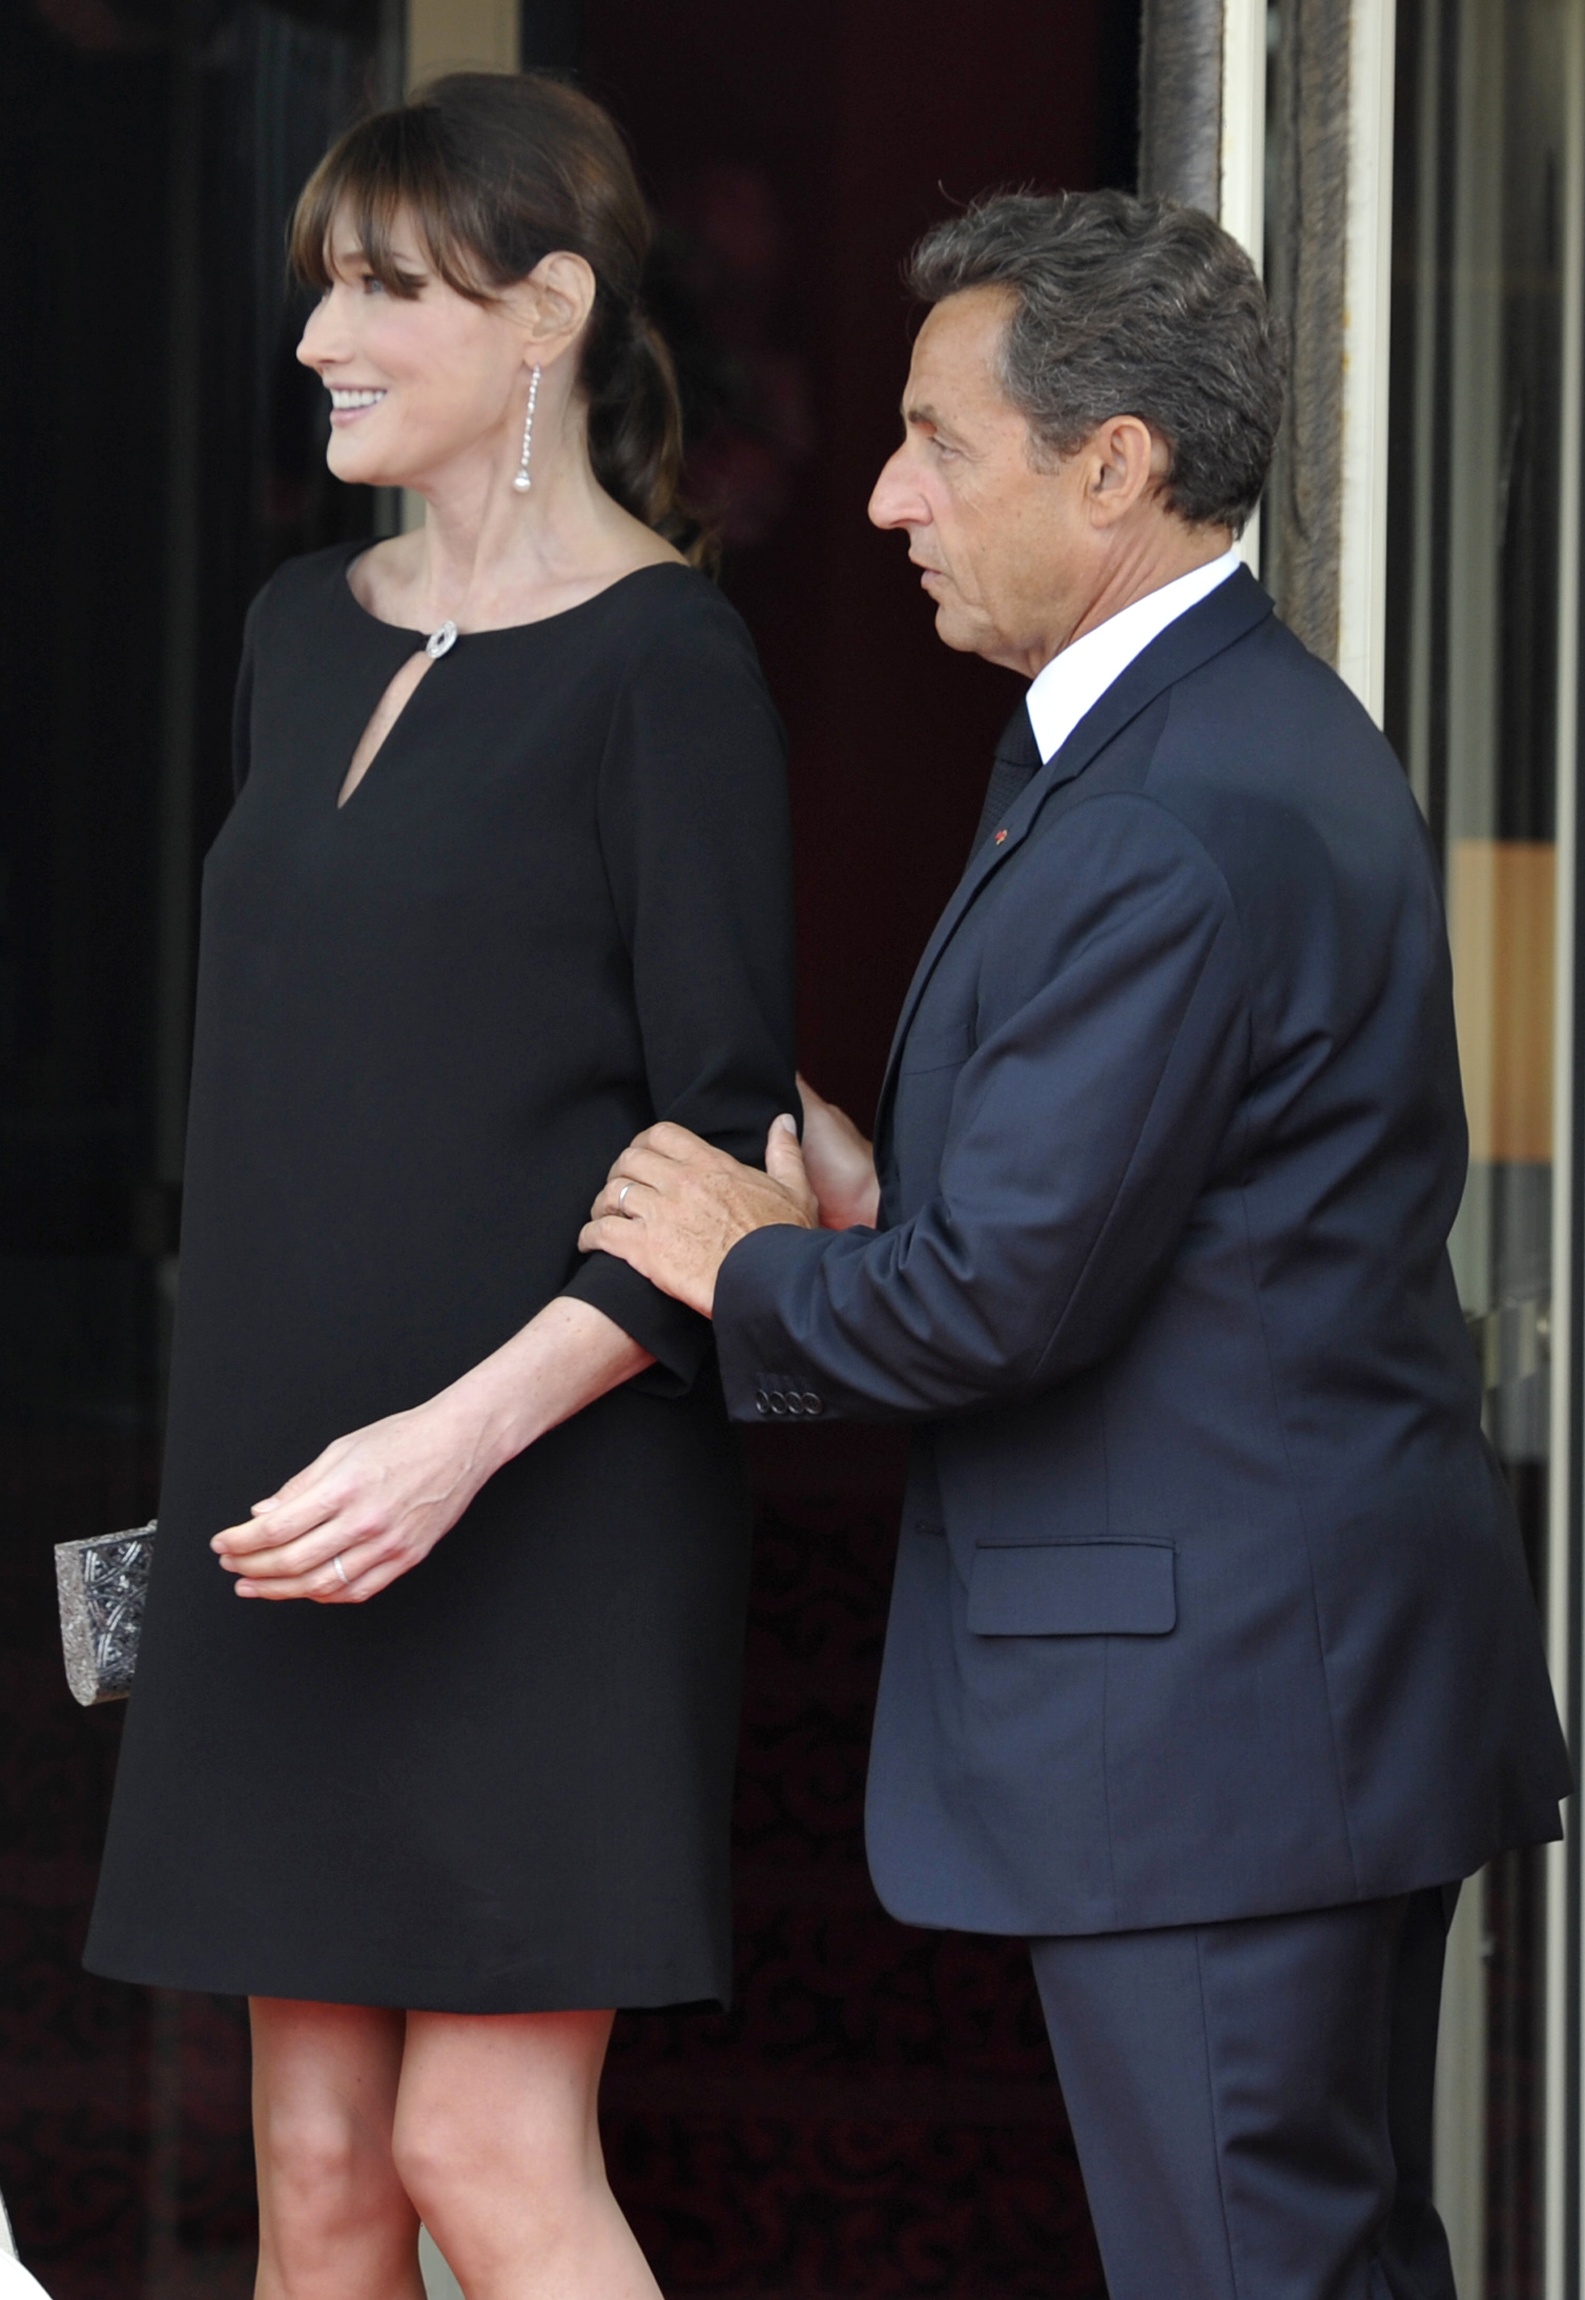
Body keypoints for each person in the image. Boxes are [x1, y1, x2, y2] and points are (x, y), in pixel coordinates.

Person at [580, 191, 1571, 2299]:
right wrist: (878, 1208)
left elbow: (994, 1307)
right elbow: (1164, 1217)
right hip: (1285, 1702)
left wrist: (744, 1256)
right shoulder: (1197, 731)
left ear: (1112, 464)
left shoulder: (1161, 805)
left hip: (1224, 1729)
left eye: (938, 440)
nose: (885, 494)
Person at [84, 72, 796, 2300]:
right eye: (325, 287)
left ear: (548, 312)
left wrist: (453, 1446)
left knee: (479, 2148)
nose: (321, 337)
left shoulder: (671, 662)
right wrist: (302, 1472)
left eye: (384, 287)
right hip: (286, 1505)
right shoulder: (298, 630)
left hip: (539, 1500)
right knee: (315, 2175)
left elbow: (723, 1154)